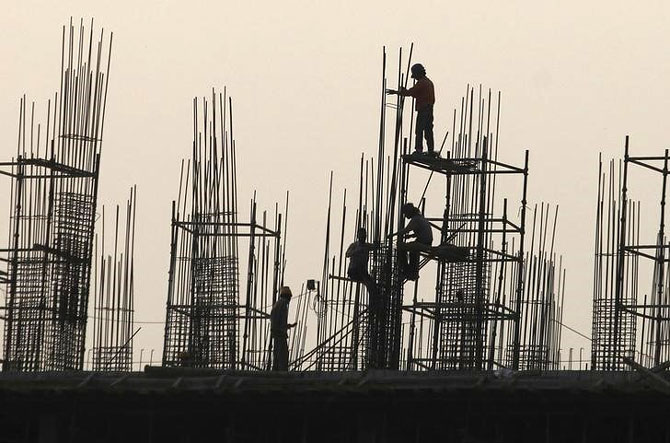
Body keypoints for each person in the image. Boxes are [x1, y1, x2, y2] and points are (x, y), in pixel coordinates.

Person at [386, 63, 436, 155]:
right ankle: (430, 151)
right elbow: (414, 93)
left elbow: (411, 92)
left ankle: (419, 150)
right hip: (429, 109)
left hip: (424, 110)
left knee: (419, 130)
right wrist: (403, 92)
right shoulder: (428, 82)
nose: (415, 78)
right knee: (428, 130)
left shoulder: (422, 83)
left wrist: (397, 92)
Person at [389, 203, 434, 280]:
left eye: (405, 213)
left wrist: (392, 235)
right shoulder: (420, 218)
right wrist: (410, 236)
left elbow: (406, 230)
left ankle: (407, 271)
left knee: (401, 247)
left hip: (423, 241)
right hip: (426, 240)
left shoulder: (415, 219)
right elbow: (420, 232)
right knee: (413, 252)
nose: (405, 216)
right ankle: (412, 272)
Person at [270, 286, 297, 371]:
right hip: (280, 334)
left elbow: (279, 322)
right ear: (287, 296)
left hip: (277, 333)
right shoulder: (283, 305)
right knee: (282, 355)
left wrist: (289, 326)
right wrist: (282, 329)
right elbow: (278, 322)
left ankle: (276, 370)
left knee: (277, 354)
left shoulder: (278, 304)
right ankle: (281, 372)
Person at [346, 227, 376, 296]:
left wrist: (376, 244)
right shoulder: (354, 245)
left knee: (371, 284)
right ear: (358, 236)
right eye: (361, 235)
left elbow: (375, 247)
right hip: (354, 271)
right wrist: (356, 251)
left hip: (363, 272)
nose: (363, 237)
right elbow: (347, 254)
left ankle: (373, 298)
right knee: (367, 280)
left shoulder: (366, 246)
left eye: (364, 235)